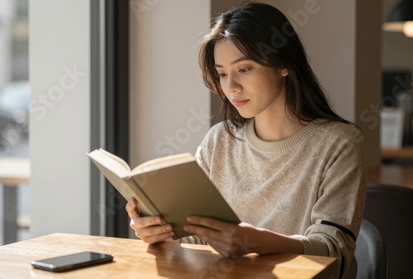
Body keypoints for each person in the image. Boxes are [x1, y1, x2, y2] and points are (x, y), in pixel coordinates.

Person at [126, 2, 365, 278]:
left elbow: (335, 252)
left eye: (245, 69)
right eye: (223, 73)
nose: (231, 87)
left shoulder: (339, 144)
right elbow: (199, 240)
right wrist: (162, 235)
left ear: (283, 64)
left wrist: (261, 243)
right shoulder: (219, 141)